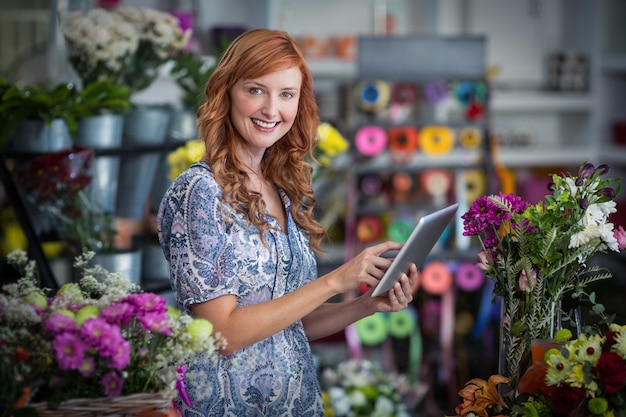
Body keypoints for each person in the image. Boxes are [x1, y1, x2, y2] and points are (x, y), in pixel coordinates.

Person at [157, 28, 418, 416]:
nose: (271, 110)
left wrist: (366, 304)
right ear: (227, 91)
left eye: (286, 94)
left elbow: (291, 323)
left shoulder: (280, 189)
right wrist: (335, 280)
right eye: (255, 90)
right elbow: (222, 334)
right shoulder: (200, 191)